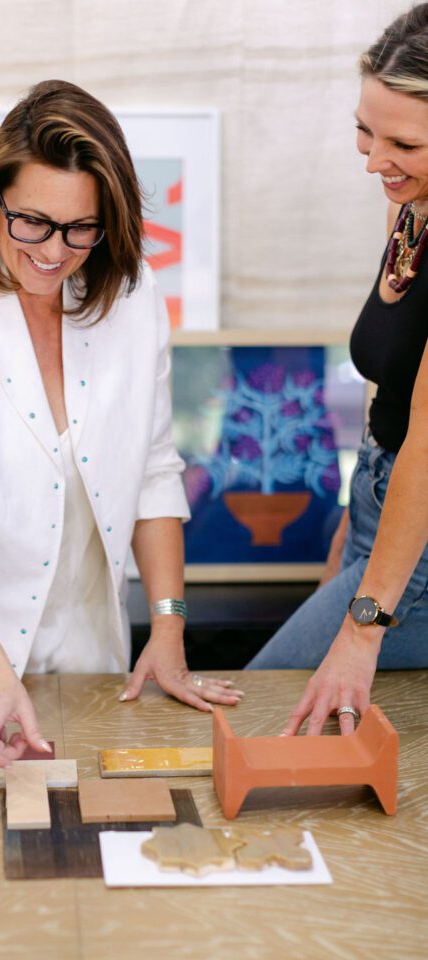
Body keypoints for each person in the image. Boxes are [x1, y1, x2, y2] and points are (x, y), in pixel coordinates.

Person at [0, 80, 242, 766]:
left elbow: (154, 468)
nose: (52, 251)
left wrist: (167, 628)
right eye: (30, 221)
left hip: (85, 639)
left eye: (79, 229)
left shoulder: (132, 296)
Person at [247, 5, 428, 736]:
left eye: (402, 142)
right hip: (381, 507)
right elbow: (389, 379)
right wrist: (351, 529)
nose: (373, 159)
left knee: (265, 716)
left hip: (417, 541)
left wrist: (359, 628)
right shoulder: (411, 206)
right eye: (364, 129)